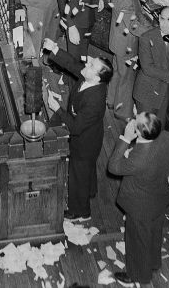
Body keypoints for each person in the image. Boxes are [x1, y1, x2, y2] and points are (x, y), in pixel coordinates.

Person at [45, 42, 113, 222]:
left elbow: (75, 127)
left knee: (77, 173)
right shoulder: (88, 77)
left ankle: (80, 212)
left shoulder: (95, 101)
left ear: (98, 78)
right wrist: (55, 49)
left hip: (85, 143)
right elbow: (72, 64)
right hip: (90, 137)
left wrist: (57, 109)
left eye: (91, 65)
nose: (87, 64)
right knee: (86, 170)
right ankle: (90, 191)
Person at [107, 112, 169, 287]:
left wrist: (125, 138)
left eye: (135, 120)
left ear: (138, 133)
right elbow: (168, 163)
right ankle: (154, 262)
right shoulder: (167, 137)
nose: (132, 117)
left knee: (138, 240)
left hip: (140, 206)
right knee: (154, 232)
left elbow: (113, 166)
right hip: (159, 195)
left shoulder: (138, 160)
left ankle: (139, 276)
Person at [108, 0, 157, 121]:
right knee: (127, 79)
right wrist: (154, 35)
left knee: (117, 72)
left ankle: (110, 100)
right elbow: (134, 26)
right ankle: (122, 112)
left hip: (117, 39)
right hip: (126, 44)